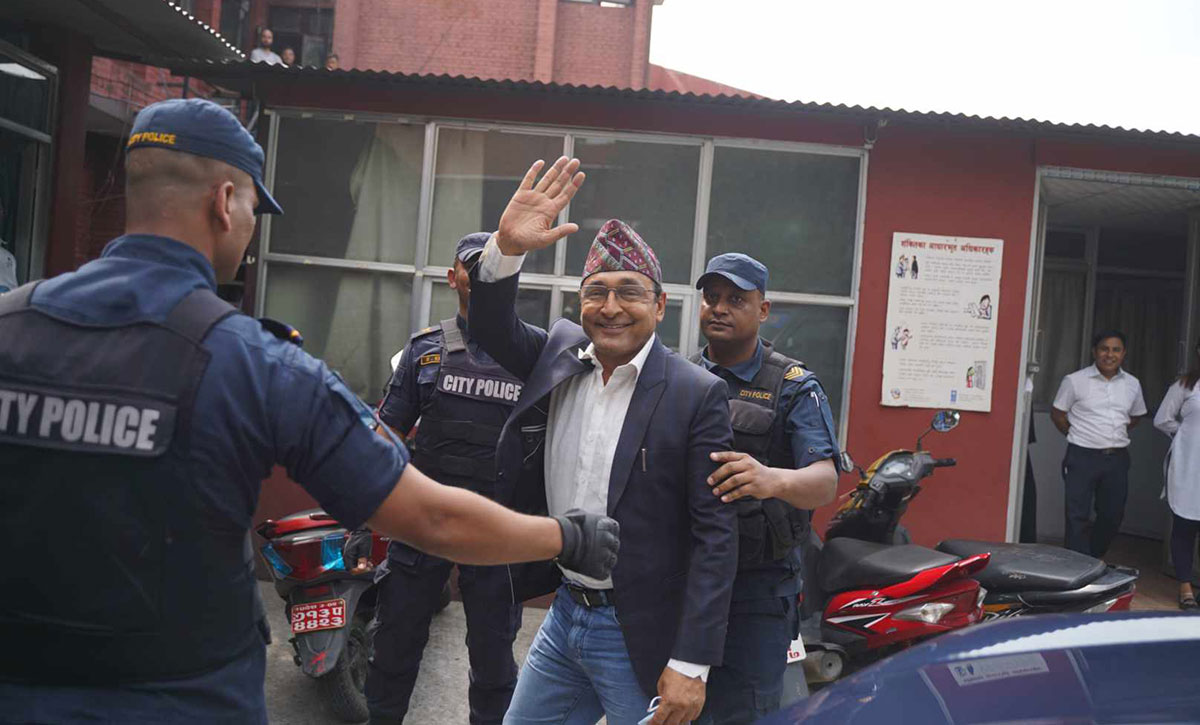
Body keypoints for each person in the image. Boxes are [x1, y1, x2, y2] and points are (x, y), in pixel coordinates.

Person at [0, 99, 619, 723]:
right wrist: (566, 536)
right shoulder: (260, 365)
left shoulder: (10, 327)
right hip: (184, 700)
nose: (251, 230)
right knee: (396, 654)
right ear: (225, 202)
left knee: (491, 666)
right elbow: (428, 515)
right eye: (253, 209)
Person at [468, 157, 738, 725]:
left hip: (638, 629)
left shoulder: (695, 393)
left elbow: (715, 536)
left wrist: (691, 663)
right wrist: (506, 249)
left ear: (659, 306)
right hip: (566, 610)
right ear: (580, 304)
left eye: (629, 292)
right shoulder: (558, 357)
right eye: (596, 293)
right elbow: (490, 327)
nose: (610, 308)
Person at [364, 233, 527, 724]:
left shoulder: (533, 352)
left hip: (496, 529)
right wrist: (362, 519)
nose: (479, 277)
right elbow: (384, 441)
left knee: (493, 662)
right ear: (452, 277)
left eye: (489, 268)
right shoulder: (424, 350)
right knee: (393, 649)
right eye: (470, 268)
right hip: (424, 523)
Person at [690, 253, 839, 724]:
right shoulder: (681, 376)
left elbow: (825, 482)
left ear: (763, 310)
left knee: (744, 712)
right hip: (687, 583)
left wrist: (770, 479)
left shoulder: (793, 385)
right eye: (711, 297)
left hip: (757, 591)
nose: (719, 308)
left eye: (736, 299)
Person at [1051, 330, 1147, 557]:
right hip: (1082, 456)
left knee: (1112, 515)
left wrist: (1112, 433)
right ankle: (1075, 565)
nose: (1109, 355)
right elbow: (1058, 414)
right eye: (1104, 349)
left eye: (1116, 350)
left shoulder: (1132, 384)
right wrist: (1078, 434)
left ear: (1123, 354)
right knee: (1077, 515)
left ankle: (1092, 558)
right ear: (1094, 351)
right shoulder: (1075, 380)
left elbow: (1135, 417)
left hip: (1116, 458)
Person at [1154, 340, 1200, 610]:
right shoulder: (1185, 386)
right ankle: (1185, 588)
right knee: (1184, 527)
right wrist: (1184, 435)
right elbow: (1162, 419)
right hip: (1189, 465)